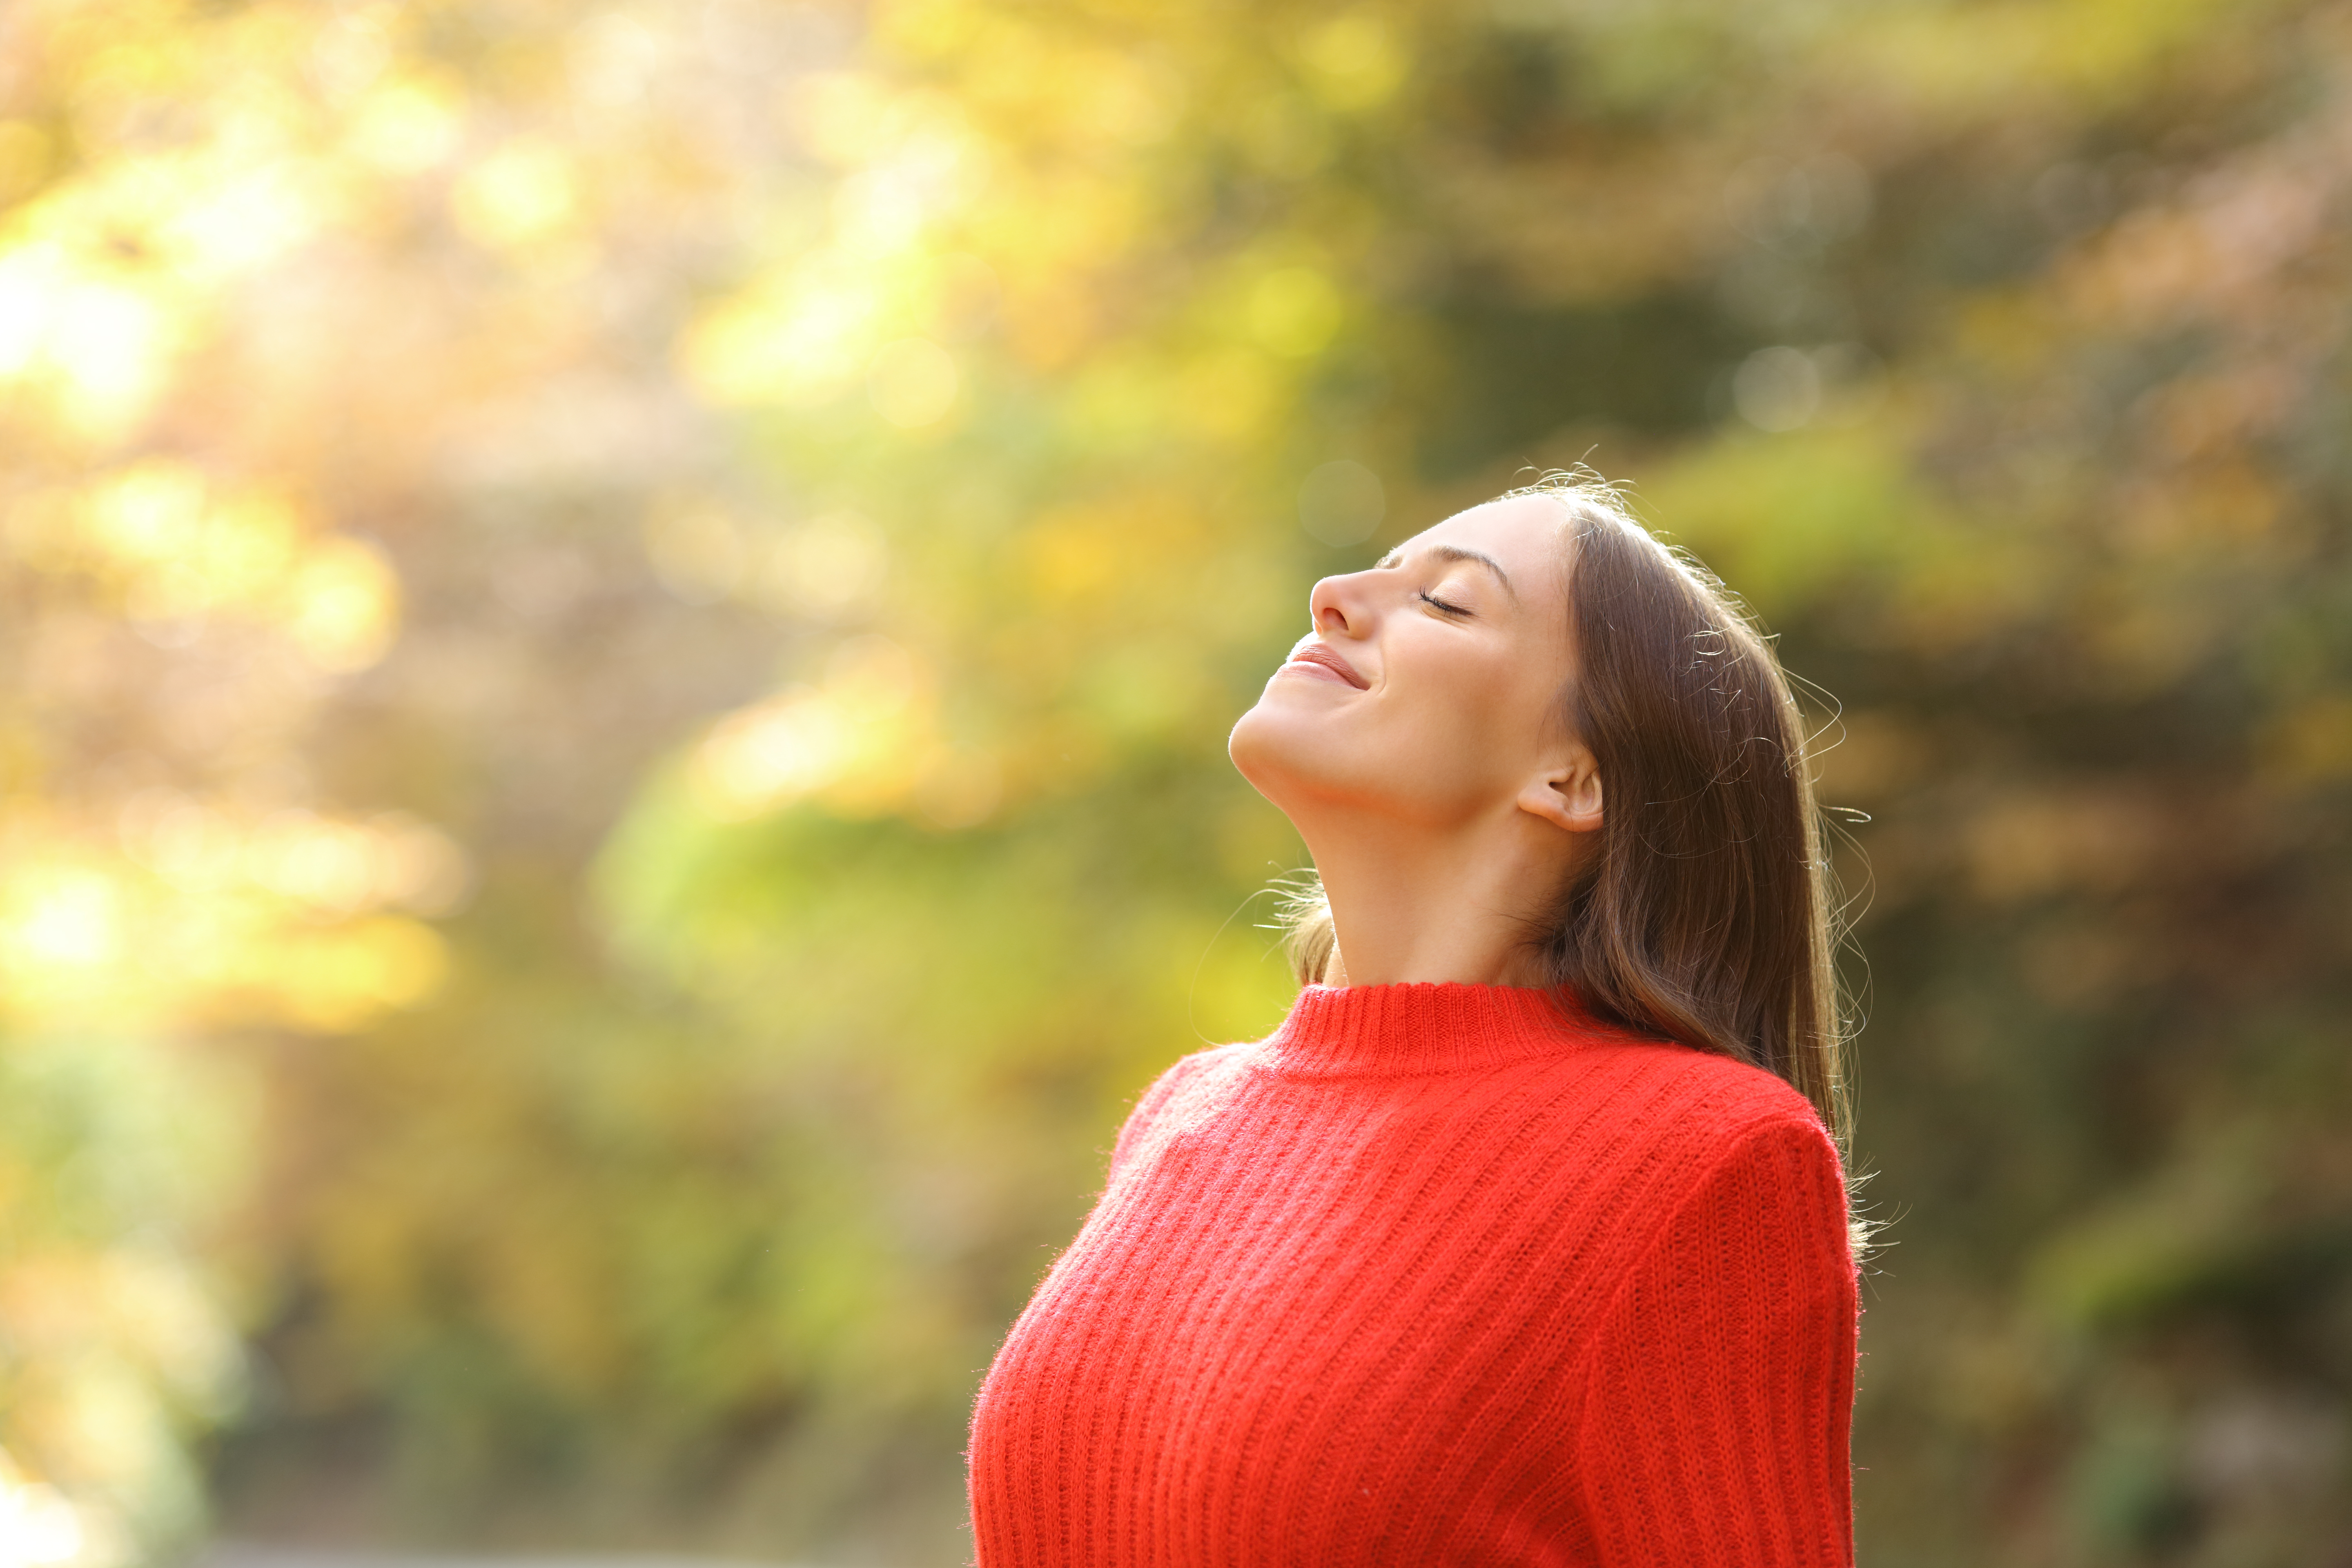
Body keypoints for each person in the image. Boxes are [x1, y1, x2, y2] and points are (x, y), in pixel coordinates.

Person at [967, 472, 1861, 1566]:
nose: (1333, 595)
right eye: (1378, 572)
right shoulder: (1184, 1114)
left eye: (1444, 602)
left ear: (1575, 777)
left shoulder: (1707, 1161)